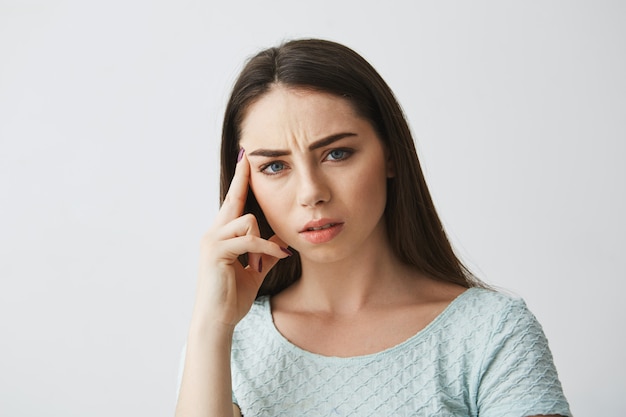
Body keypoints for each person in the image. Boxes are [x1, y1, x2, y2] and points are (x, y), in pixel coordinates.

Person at [175, 39, 571, 417]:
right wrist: (212, 325)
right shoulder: (227, 340)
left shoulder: (490, 333)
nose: (311, 193)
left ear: (391, 155)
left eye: (337, 153)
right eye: (274, 166)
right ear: (247, 185)